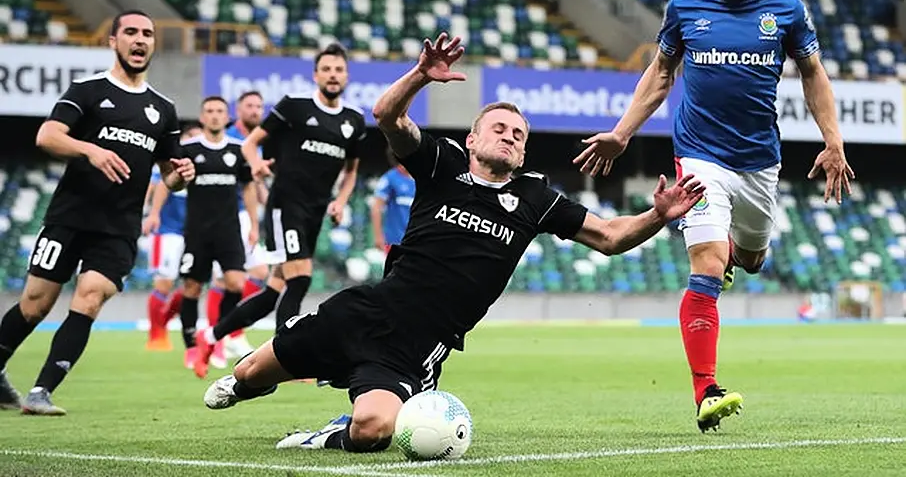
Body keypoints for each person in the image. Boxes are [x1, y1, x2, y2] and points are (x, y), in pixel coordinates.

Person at [200, 33, 705, 454]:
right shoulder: (441, 165)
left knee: (374, 430)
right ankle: (255, 382)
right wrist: (420, 75)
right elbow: (386, 116)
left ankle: (325, 436)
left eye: (519, 134)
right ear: (472, 139)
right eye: (499, 128)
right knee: (246, 374)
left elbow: (612, 237)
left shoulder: (535, 196)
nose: (510, 137)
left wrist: (658, 215)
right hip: (361, 310)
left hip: (414, 347)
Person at [572, 0, 854, 433]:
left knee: (750, 259)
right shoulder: (685, 2)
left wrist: (832, 141)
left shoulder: (786, 7)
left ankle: (737, 252)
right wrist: (621, 132)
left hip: (759, 164)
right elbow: (660, 73)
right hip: (699, 156)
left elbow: (814, 75)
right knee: (707, 264)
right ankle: (706, 390)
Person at [0, 10, 194, 415]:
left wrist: (182, 176)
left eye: (147, 34)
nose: (140, 40)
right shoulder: (88, 90)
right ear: (113, 41)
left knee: (89, 299)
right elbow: (47, 135)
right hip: (70, 216)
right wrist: (90, 149)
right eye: (131, 33)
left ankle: (41, 392)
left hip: (119, 227)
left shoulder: (164, 108)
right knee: (35, 304)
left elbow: (169, 177)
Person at [192, 43, 366, 378]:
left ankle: (209, 335)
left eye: (339, 70)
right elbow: (249, 142)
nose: (333, 75)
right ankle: (288, 356)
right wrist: (256, 164)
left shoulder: (354, 121)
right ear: (316, 75)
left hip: (315, 212)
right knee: (300, 279)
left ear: (346, 76)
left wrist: (341, 201)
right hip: (285, 205)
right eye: (326, 69)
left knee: (273, 291)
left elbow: (352, 170)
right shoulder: (295, 107)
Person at [174, 97, 257, 378]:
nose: (214, 116)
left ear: (227, 117)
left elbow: (248, 188)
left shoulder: (238, 150)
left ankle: (214, 336)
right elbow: (170, 182)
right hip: (197, 232)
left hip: (229, 231)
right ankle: (191, 347)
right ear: (201, 116)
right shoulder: (188, 149)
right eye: (209, 111)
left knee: (237, 283)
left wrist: (255, 224)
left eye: (220, 111)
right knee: (192, 288)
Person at [205, 91, 269, 362]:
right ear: (237, 110)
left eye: (258, 106)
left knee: (259, 271)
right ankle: (215, 342)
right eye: (249, 106)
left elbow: (253, 183)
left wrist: (264, 205)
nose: (255, 111)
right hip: (225, 216)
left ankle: (233, 334)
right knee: (223, 280)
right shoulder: (226, 138)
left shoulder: (257, 142)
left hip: (246, 216)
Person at [142, 121, 203, 352]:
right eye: (193, 137)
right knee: (164, 283)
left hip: (193, 234)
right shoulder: (171, 163)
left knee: (192, 285)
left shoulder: (203, 165)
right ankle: (156, 335)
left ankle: (164, 321)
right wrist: (151, 213)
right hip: (167, 232)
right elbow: (156, 186)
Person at [370, 145, 415, 253]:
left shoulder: (420, 179)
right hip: (394, 241)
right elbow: (376, 208)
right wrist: (378, 236)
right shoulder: (390, 178)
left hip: (415, 241)